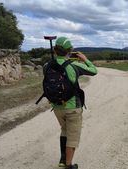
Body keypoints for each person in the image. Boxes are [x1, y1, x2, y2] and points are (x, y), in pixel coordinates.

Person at [48, 37, 97, 169]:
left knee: (64, 130)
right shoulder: (74, 65)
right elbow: (94, 71)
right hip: (73, 107)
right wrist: (84, 59)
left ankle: (63, 160)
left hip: (57, 107)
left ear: (55, 49)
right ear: (70, 51)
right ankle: (68, 165)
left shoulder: (47, 65)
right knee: (73, 138)